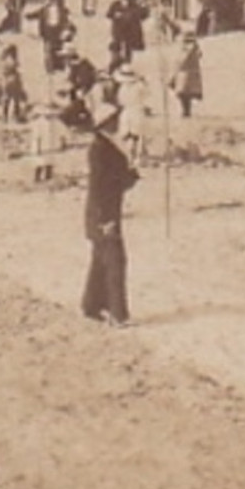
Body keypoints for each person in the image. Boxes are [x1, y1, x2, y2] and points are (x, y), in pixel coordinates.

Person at [82, 95, 138, 326]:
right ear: (105, 123)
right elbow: (101, 186)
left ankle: (91, 305)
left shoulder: (105, 146)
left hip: (102, 211)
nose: (118, 122)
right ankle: (117, 313)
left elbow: (116, 181)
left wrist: (130, 174)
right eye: (114, 119)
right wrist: (105, 219)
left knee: (100, 259)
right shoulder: (101, 150)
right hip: (103, 213)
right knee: (115, 260)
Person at [171, 31, 203, 118]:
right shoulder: (194, 48)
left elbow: (180, 61)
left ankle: (186, 111)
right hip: (189, 74)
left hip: (184, 73)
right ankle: (186, 111)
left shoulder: (185, 49)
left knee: (184, 95)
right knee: (186, 95)